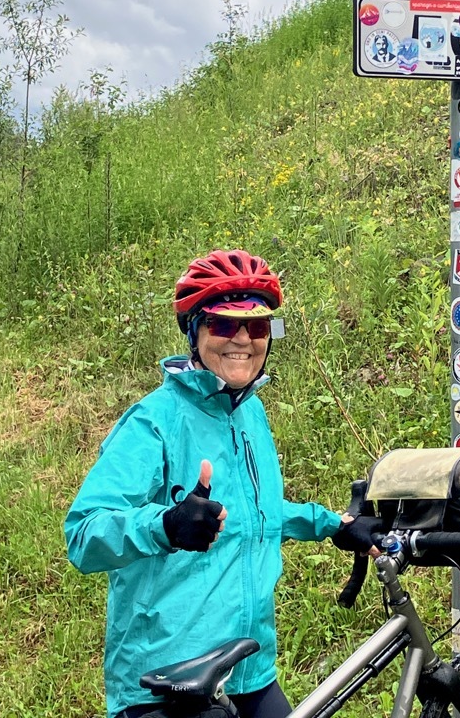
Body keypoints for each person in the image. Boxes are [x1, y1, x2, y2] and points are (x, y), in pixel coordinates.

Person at [64, 250, 379, 718]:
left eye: (258, 326)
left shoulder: (250, 413)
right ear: (194, 331)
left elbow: (256, 512)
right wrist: (165, 526)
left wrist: (333, 524)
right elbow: (83, 535)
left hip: (248, 669)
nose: (243, 340)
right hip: (168, 679)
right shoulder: (153, 422)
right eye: (224, 324)